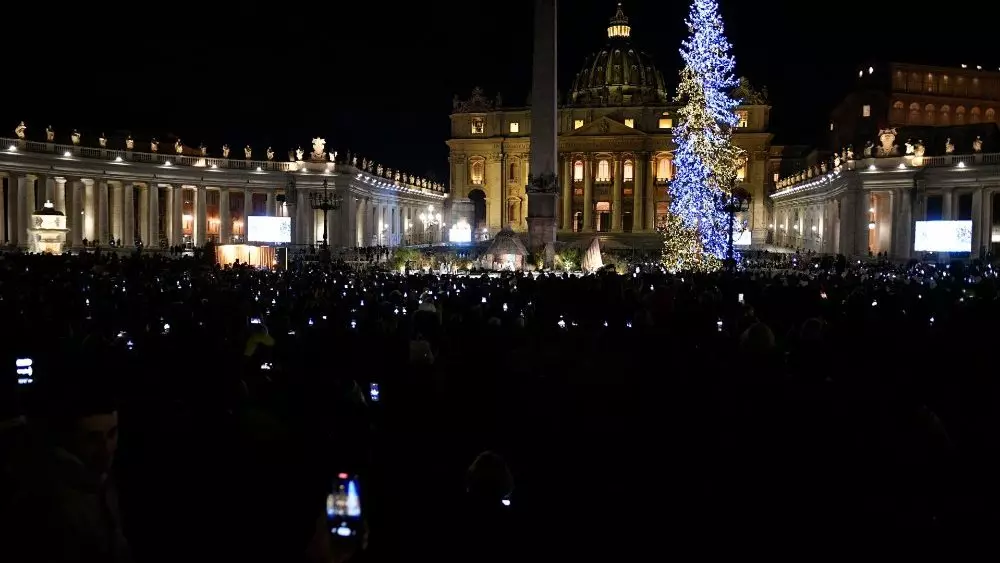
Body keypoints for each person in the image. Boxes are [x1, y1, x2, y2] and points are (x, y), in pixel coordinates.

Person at [4, 378, 130, 563]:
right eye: (92, 438)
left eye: (112, 434)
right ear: (66, 437)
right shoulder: (47, 500)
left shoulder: (98, 477)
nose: (106, 449)